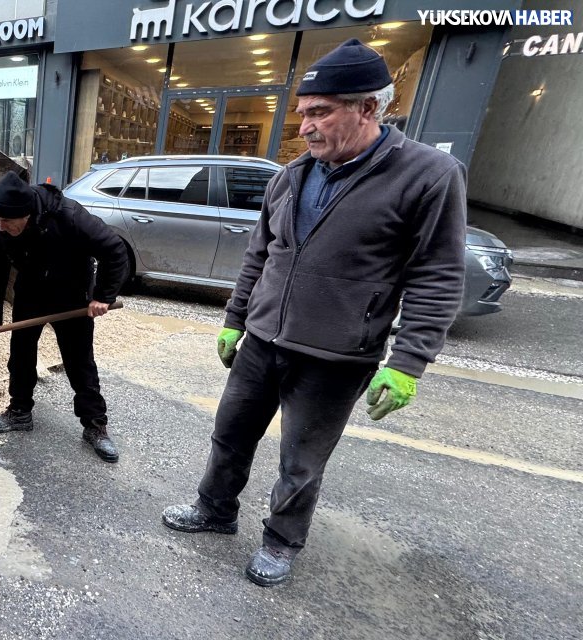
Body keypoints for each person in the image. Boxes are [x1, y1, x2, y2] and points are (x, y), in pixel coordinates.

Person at [161, 39, 467, 586]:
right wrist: (235, 318)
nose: (304, 127)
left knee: (300, 460)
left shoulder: (428, 175)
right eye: (302, 113)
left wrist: (408, 362)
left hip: (336, 354)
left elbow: (438, 275)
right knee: (230, 434)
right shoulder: (292, 175)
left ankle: (281, 542)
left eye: (320, 112)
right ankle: (215, 509)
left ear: (368, 107)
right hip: (263, 341)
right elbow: (261, 255)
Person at [0, 171, 130, 463]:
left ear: (26, 215)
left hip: (71, 291)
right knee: (21, 353)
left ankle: (95, 425)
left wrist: (103, 296)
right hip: (30, 289)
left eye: (7, 221)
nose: (0, 226)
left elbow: (114, 250)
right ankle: (19, 411)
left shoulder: (68, 215)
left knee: (79, 360)